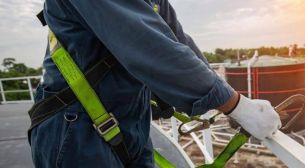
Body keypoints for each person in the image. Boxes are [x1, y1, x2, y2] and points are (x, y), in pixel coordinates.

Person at [29, 0, 281, 167]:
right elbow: (150, 44)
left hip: (127, 119)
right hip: (75, 128)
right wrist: (236, 106)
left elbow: (177, 41)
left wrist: (221, 96)